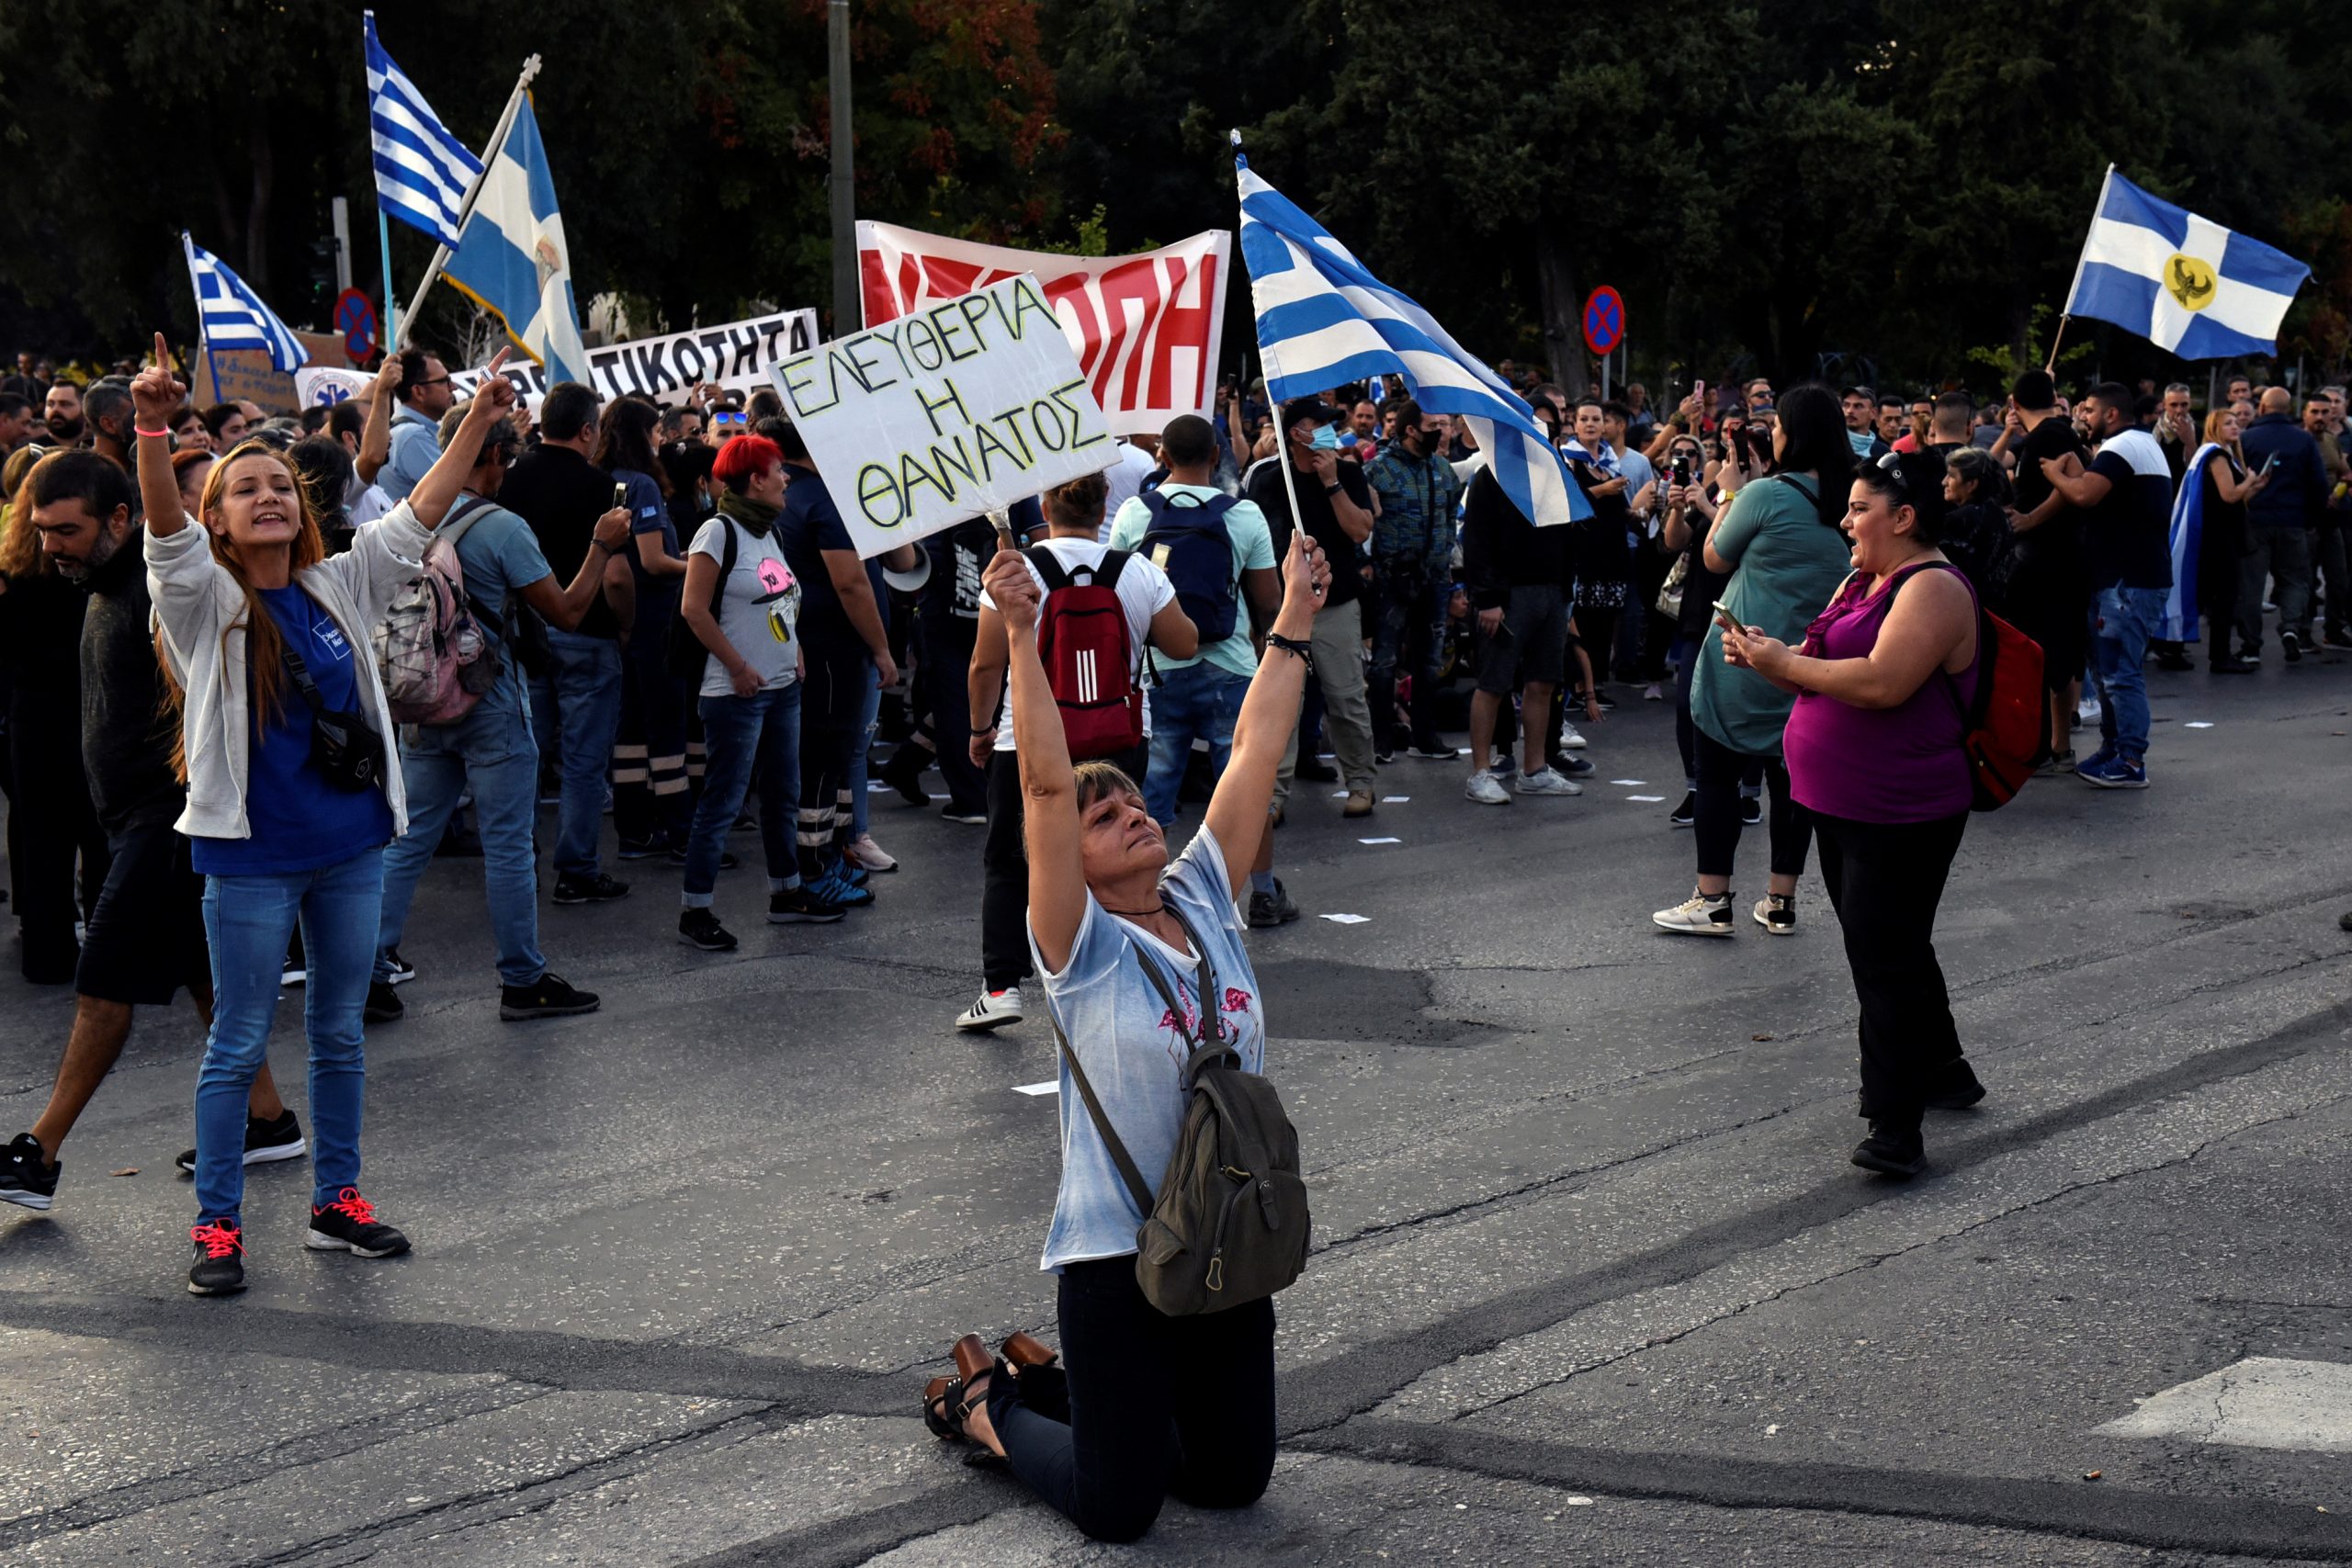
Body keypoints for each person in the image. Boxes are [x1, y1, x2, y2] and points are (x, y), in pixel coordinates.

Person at [920, 526, 1326, 1543]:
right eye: (1107, 823)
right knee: (1120, 1507)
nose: (1133, 818)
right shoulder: (1077, 943)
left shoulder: (1202, 896)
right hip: (1119, 1261)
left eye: (1135, 805)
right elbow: (1046, 790)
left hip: (1226, 1240)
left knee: (1231, 1481)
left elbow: (1255, 749)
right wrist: (1022, 634)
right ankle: (992, 1408)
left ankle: (1071, 1393)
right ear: (1074, 859)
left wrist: (1295, 621)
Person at [131, 333, 517, 1294]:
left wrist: (479, 413)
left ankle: (335, 1203)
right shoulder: (201, 598)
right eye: (244, 486)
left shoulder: (334, 582)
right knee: (239, 1042)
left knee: (340, 1032)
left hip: (350, 848)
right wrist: (148, 424)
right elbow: (163, 531)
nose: (267, 495)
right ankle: (218, 1227)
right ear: (217, 518)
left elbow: (422, 509)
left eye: (280, 485)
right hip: (251, 860)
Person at [0, 451, 298, 1212]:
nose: (50, 546)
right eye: (42, 531)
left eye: (66, 531)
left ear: (122, 521)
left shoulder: (158, 590)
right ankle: (266, 1119)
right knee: (202, 976)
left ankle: (40, 1152)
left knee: (101, 987)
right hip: (133, 822)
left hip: (165, 823)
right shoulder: (98, 584)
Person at [1723, 451, 1984, 1179]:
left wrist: (1784, 666)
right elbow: (1821, 650)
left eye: (1858, 508)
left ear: (1903, 518)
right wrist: (1763, 652)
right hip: (1838, 801)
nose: (1845, 521)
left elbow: (1881, 682)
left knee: (1883, 956)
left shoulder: (1932, 587)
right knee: (1895, 943)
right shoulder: (1864, 578)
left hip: (1901, 808)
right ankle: (1946, 1070)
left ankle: (1895, 1125)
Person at [365, 394, 627, 1025]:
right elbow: (564, 610)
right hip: (489, 699)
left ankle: (368, 969)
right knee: (509, 843)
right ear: (494, 456)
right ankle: (523, 978)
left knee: (409, 838)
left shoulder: (405, 520)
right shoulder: (501, 527)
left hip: (421, 697)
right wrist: (600, 543)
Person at [959, 472, 1194, 1032]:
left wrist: (978, 729)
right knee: (1113, 856)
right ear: (1103, 507)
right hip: (1118, 737)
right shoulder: (1137, 570)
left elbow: (985, 665)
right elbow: (1184, 643)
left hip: (1031, 742)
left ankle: (1001, 987)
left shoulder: (1018, 571)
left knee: (1010, 862)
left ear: (1044, 505)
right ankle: (1125, 973)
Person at [1653, 383, 1850, 938]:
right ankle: (1780, 902)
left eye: (1779, 426)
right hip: (1810, 662)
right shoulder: (1850, 497)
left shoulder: (1767, 495)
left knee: (1716, 775)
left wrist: (1733, 491)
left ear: (1795, 434)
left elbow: (1714, 557)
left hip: (1744, 654)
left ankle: (1712, 899)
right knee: (1791, 782)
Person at [673, 433, 846, 952]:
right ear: (755, 479)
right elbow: (693, 609)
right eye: (777, 471)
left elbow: (778, 597)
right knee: (723, 803)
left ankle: (787, 894)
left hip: (780, 687)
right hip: (735, 693)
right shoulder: (717, 532)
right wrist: (739, 667)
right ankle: (695, 910)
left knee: (782, 796)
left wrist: (791, 651)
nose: (786, 477)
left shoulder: (767, 531)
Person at [769, 419, 922, 907]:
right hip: (831, 647)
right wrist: (880, 648)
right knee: (824, 759)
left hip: (814, 644)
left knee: (832, 761)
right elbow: (850, 584)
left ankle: (831, 859)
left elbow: (902, 560)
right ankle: (814, 874)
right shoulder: (819, 499)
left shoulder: (807, 495)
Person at [1106, 413, 1280, 827]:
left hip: (1160, 666)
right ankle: (1250, 887)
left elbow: (1118, 593)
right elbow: (1270, 599)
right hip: (1231, 662)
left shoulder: (1134, 513)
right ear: (1217, 455)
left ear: (1161, 455)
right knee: (1239, 786)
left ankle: (1147, 885)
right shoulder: (1244, 514)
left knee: (1155, 788)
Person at [502, 381, 633, 904]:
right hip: (590, 635)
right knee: (583, 762)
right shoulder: (605, 490)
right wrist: (625, 626)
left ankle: (521, 864)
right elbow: (619, 579)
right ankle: (577, 869)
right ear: (585, 430)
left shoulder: (508, 481)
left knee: (526, 759)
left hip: (524, 637)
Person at [1246, 398, 1377, 819]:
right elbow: (1252, 542)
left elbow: (1359, 530)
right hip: (1283, 607)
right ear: (1292, 435)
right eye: (1313, 424)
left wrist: (1332, 482)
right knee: (1282, 703)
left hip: (1336, 603)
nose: (1323, 430)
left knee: (1346, 698)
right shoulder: (1268, 479)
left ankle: (1360, 783)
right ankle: (1273, 795)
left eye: (1328, 424)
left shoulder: (1349, 473)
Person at [2039, 382, 2175, 789]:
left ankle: (2131, 760)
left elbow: (2083, 494)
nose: (2084, 416)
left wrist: (2052, 474)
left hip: (2126, 583)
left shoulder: (2121, 448)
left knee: (2120, 674)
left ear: (2111, 415)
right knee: (2108, 672)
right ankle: (2113, 748)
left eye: (2091, 410)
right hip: (2130, 580)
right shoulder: (2141, 444)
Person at [595, 397, 695, 861]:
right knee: (667, 727)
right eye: (656, 431)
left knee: (630, 730)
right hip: (653, 620)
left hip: (615, 622)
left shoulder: (598, 479)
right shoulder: (641, 486)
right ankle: (680, 831)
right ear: (640, 435)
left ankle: (634, 830)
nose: (662, 439)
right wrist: (696, 564)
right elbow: (653, 562)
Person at [1457, 463, 1582, 803]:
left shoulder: (1554, 470)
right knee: (1494, 683)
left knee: (1543, 681)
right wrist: (1487, 599)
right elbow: (1477, 539)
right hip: (1507, 595)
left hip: (1552, 591)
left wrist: (1565, 590)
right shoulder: (1490, 475)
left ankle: (1534, 770)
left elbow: (1569, 533)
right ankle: (1481, 772)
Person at [1998, 370, 2090, 770]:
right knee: (2056, 655)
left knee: (2040, 655)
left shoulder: (2050, 435)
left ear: (2013, 404)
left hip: (2046, 559)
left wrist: (2031, 518)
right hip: (2056, 557)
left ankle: (2043, 747)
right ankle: (2057, 746)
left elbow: (2071, 481)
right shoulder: (2053, 432)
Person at [1363, 400, 1464, 760]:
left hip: (1434, 577)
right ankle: (1382, 739)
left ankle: (1425, 736)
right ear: (1410, 430)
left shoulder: (1441, 469)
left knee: (1430, 659)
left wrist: (1445, 550)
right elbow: (1363, 522)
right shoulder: (1378, 470)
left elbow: (1452, 510)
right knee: (1385, 660)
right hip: (1392, 579)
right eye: (1432, 424)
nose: (1440, 430)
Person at [2167, 407, 2265, 673]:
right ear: (2215, 428)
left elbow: (2237, 500)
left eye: (2236, 423)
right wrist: (2251, 480)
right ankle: (2219, 656)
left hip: (2217, 535)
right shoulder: (2217, 455)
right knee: (2222, 597)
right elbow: (2230, 495)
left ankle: (2173, 647)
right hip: (2218, 539)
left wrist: (2255, 487)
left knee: (2204, 594)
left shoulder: (2221, 454)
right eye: (2228, 423)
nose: (2235, 427)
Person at [379, 347, 455, 502]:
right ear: (418, 391)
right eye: (444, 381)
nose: (453, 387)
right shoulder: (413, 436)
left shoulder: (406, 431)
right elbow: (457, 493)